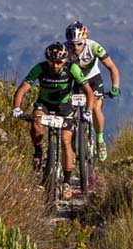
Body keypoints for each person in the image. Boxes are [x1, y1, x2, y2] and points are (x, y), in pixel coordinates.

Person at [10, 43, 90, 178]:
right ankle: (38, 151)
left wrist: (88, 111)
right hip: (44, 104)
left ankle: (67, 181)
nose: (55, 65)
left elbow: (89, 92)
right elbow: (22, 89)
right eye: (52, 62)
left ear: (65, 61)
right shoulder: (40, 68)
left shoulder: (73, 68)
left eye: (59, 62)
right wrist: (17, 108)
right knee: (36, 123)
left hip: (65, 106)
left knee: (66, 141)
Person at [62, 21, 121, 155]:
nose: (75, 47)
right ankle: (71, 144)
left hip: (93, 79)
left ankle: (100, 141)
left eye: (79, 43)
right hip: (75, 81)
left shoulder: (94, 47)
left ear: (85, 40)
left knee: (95, 107)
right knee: (69, 112)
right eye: (72, 44)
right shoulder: (64, 49)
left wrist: (115, 87)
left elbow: (112, 67)